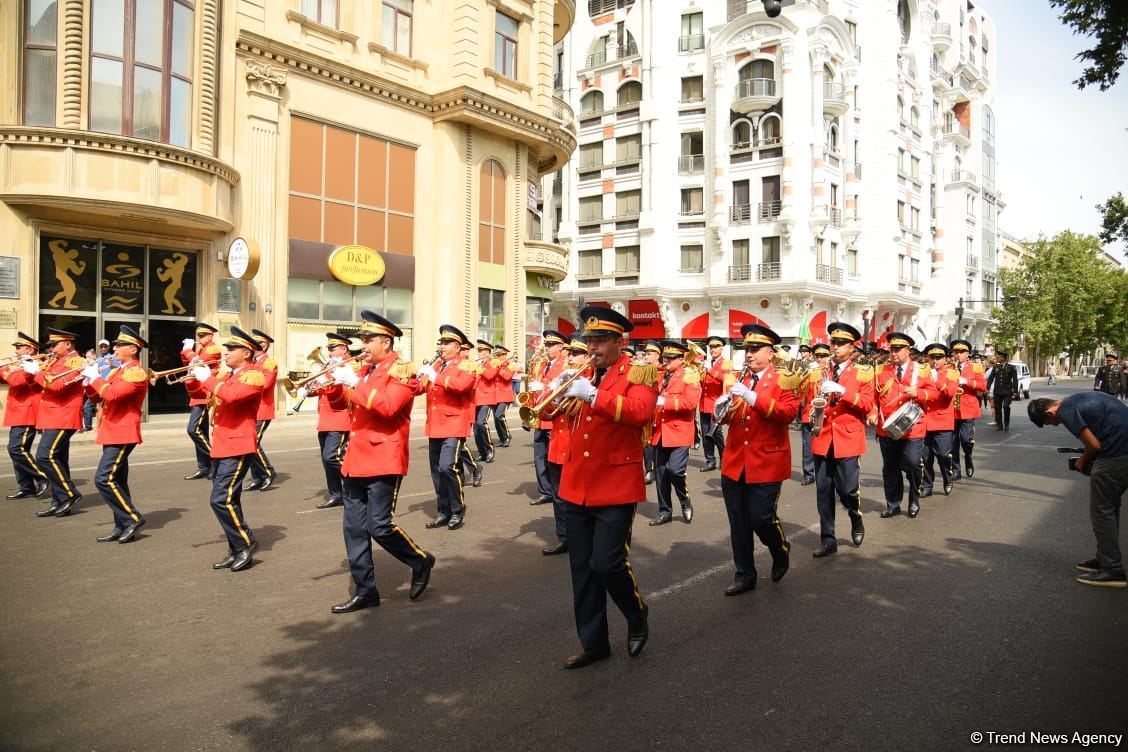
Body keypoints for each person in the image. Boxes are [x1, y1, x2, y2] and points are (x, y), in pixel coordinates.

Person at [556, 305, 657, 668]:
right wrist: (557, 396)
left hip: (616, 481)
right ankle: (594, 642)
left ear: (619, 342)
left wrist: (594, 396)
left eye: (600, 340)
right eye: (589, 340)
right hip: (577, 482)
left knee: (607, 562)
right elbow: (558, 420)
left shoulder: (640, 372)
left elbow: (639, 414)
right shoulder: (584, 374)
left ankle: (636, 612)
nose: (592, 347)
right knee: (582, 570)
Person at [322, 310, 435, 612]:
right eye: (362, 339)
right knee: (354, 528)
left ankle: (420, 560)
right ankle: (366, 590)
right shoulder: (364, 371)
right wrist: (334, 383)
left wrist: (354, 384)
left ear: (386, 341)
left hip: (384, 456)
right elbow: (340, 405)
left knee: (379, 526)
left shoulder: (402, 371)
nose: (363, 344)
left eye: (368, 339)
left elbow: (386, 407)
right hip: (356, 457)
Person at [713, 323, 799, 595]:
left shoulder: (785, 378)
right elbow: (731, 418)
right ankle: (744, 574)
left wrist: (753, 397)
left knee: (761, 518)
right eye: (746, 349)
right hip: (736, 460)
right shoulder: (739, 377)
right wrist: (719, 411)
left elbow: (787, 413)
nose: (748, 354)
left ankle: (779, 548)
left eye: (755, 349)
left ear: (771, 353)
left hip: (767, 459)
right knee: (738, 521)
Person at [1029, 394, 1128, 588]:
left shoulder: (1066, 410)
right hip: (1121, 449)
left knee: (1102, 512)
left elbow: (1094, 445)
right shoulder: (1074, 400)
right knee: (1110, 508)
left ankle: (1113, 569)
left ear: (1049, 412)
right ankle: (1105, 559)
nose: (1055, 425)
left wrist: (1082, 462)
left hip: (1116, 455)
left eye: (1049, 422)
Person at [189, 326, 264, 572]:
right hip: (222, 444)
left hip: (238, 444)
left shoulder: (253, 375)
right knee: (230, 499)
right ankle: (235, 548)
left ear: (246, 352)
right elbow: (207, 395)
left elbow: (231, 396)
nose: (227, 352)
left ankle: (245, 543)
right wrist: (193, 378)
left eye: (232, 349)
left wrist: (207, 377)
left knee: (220, 499)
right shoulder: (231, 374)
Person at [810, 323, 874, 557]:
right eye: (832, 343)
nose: (834, 347)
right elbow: (811, 401)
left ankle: (856, 518)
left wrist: (843, 392)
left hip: (847, 437)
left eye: (840, 344)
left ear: (851, 347)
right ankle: (828, 539)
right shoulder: (820, 371)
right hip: (823, 436)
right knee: (823, 490)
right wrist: (811, 410)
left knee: (847, 490)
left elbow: (868, 404)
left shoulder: (863, 371)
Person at [82, 326, 149, 543]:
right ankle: (121, 525)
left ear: (133, 349)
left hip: (123, 430)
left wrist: (96, 378)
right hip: (113, 429)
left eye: (120, 345)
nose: (115, 348)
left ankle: (131, 518)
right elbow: (97, 399)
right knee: (118, 480)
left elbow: (111, 395)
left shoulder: (136, 372)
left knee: (103, 478)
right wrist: (88, 382)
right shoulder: (118, 370)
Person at [875, 333, 939, 519]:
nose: (893, 353)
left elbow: (933, 393)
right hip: (887, 427)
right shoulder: (881, 370)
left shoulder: (921, 370)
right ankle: (893, 504)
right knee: (890, 467)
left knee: (912, 463)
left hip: (913, 427)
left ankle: (913, 498)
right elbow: (873, 397)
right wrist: (872, 412)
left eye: (898, 349)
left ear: (908, 351)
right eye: (891, 349)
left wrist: (918, 392)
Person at [419, 325, 476, 531]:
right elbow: (419, 389)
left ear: (458, 347)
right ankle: (443, 511)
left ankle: (457, 509)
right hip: (435, 424)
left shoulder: (467, 366)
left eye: (446, 343)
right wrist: (417, 376)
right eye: (440, 343)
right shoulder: (437, 366)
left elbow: (461, 386)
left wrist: (435, 377)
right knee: (436, 472)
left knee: (447, 467)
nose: (441, 347)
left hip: (454, 423)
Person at [541, 334, 590, 556]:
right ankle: (564, 537)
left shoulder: (591, 380)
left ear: (587, 356)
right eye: (569, 353)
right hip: (557, 445)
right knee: (559, 497)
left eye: (576, 354)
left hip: (578, 447)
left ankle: (584, 537)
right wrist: (551, 395)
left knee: (580, 497)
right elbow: (545, 414)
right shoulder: (562, 377)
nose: (570, 357)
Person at [31, 329, 87, 517]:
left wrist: (37, 371)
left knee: (44, 456)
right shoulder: (56, 360)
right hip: (52, 415)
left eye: (55, 345)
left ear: (68, 344)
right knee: (59, 460)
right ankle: (60, 501)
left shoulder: (76, 362)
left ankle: (69, 494)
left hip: (64, 416)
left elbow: (57, 386)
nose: (52, 349)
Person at [298, 332, 354, 510]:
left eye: (333, 348)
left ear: (344, 348)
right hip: (325, 419)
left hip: (340, 418)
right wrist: (310, 387)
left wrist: (330, 381)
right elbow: (321, 390)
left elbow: (345, 397)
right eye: (328, 348)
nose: (329, 352)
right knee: (326, 459)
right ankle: (336, 494)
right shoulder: (330, 366)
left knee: (332, 457)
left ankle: (354, 487)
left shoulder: (351, 366)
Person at [648, 340, 700, 525]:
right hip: (660, 431)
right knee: (661, 475)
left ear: (681, 359)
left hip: (679, 431)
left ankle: (685, 500)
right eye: (665, 357)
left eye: (671, 358)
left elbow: (690, 404)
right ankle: (665, 512)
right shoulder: (663, 375)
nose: (666, 361)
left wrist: (665, 403)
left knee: (675, 471)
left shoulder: (689, 375)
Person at [1, 332, 48, 500]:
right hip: (17, 411)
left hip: (27, 412)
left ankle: (41, 476)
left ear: (30, 349)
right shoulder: (20, 364)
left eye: (19, 348)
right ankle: (26, 486)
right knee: (18, 451)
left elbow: (17, 382)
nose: (16, 352)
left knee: (16, 448)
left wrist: (5, 368)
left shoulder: (36, 364)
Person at [529, 331, 567, 506]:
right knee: (539, 456)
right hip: (541, 416)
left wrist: (541, 385)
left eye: (552, 345)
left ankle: (557, 489)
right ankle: (545, 490)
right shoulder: (543, 364)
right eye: (547, 344)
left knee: (554, 457)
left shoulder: (565, 364)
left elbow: (559, 388)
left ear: (560, 347)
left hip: (553, 416)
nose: (548, 348)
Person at [181, 323, 223, 480]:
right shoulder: (199, 350)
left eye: (203, 335)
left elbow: (198, 362)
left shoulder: (213, 349)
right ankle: (204, 467)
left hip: (206, 393)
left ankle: (215, 459)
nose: (200, 338)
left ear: (211, 336)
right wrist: (185, 351)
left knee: (193, 430)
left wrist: (188, 351)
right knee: (202, 430)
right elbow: (186, 363)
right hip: (196, 393)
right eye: (198, 336)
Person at [920, 343, 958, 497]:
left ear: (945, 359)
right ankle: (927, 485)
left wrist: (937, 381)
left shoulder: (952, 373)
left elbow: (951, 393)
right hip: (924, 420)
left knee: (943, 455)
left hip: (942, 421)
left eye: (939, 357)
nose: (935, 360)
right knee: (925, 457)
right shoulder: (922, 372)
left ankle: (947, 478)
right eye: (932, 357)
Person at [245, 329, 278, 491]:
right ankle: (257, 477)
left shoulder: (269, 363)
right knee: (248, 443)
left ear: (264, 346)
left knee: (252, 442)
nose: (254, 347)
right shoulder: (252, 362)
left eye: (257, 344)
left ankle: (268, 472)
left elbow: (264, 385)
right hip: (251, 409)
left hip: (263, 409)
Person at [950, 339, 987, 479]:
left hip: (967, 408)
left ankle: (968, 456)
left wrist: (967, 382)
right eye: (956, 352)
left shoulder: (975, 368)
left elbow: (983, 387)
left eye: (961, 352)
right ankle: (956, 470)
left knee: (965, 439)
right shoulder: (949, 368)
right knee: (952, 442)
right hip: (952, 409)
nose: (958, 354)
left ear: (968, 354)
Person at [798, 341, 831, 485]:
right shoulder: (809, 372)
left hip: (828, 415)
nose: (820, 359)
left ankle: (825, 471)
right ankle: (809, 473)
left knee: (827, 444)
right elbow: (800, 393)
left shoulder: (832, 372)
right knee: (807, 445)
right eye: (817, 355)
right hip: (809, 413)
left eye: (823, 355)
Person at [698, 336, 731, 473]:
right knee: (706, 434)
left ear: (722, 348)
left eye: (716, 346)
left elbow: (726, 379)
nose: (713, 350)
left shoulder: (726, 363)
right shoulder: (706, 363)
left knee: (717, 434)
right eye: (711, 347)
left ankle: (725, 459)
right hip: (704, 403)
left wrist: (709, 370)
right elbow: (702, 383)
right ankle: (710, 460)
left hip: (716, 404)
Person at [471, 339, 498, 463]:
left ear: (488, 352)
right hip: (476, 397)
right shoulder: (478, 363)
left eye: (482, 350)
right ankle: (482, 451)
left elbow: (490, 375)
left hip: (487, 397)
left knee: (481, 423)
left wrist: (478, 368)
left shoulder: (494, 362)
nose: (480, 352)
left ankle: (489, 449)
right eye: (479, 350)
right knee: (476, 427)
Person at [82, 339, 115, 432]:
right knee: (97, 406)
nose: (103, 348)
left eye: (105, 346)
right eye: (101, 347)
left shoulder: (112, 357)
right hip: (97, 385)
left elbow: (118, 368)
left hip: (106, 384)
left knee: (98, 406)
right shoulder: (98, 359)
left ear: (109, 347)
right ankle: (97, 426)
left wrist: (112, 365)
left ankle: (97, 427)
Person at [642, 340, 661, 484]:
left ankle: (656, 468)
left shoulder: (662, 371)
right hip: (646, 409)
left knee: (655, 442)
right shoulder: (643, 369)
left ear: (657, 355)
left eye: (649, 353)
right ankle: (650, 469)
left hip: (659, 410)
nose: (646, 356)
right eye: (646, 353)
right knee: (646, 441)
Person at [987, 351, 1019, 431]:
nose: (997, 358)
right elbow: (990, 378)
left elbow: (1015, 380)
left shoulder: (1011, 367)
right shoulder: (995, 367)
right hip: (997, 391)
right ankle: (1000, 425)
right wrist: (987, 388)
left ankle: (1006, 424)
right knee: (997, 408)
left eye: (998, 357)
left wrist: (1015, 391)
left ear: (1003, 358)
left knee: (1006, 407)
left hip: (1007, 391)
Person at [492, 344, 515, 447]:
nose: (498, 357)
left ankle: (506, 436)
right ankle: (502, 438)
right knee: (496, 418)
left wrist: (498, 368)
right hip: (495, 395)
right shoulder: (495, 364)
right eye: (497, 355)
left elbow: (507, 377)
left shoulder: (510, 365)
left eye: (500, 355)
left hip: (505, 394)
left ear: (505, 355)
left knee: (499, 415)